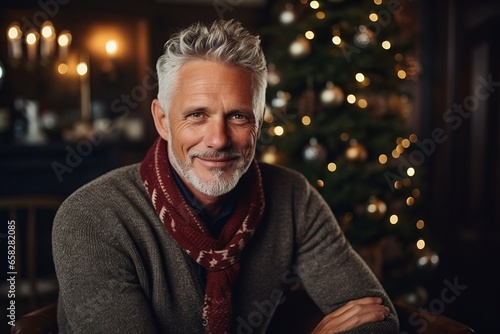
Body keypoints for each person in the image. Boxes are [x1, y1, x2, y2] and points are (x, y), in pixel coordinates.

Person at [52, 19, 399, 334]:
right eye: (197, 115)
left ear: (259, 123)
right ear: (162, 121)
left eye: (237, 117)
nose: (218, 140)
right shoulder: (90, 216)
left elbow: (377, 320)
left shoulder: (293, 197)